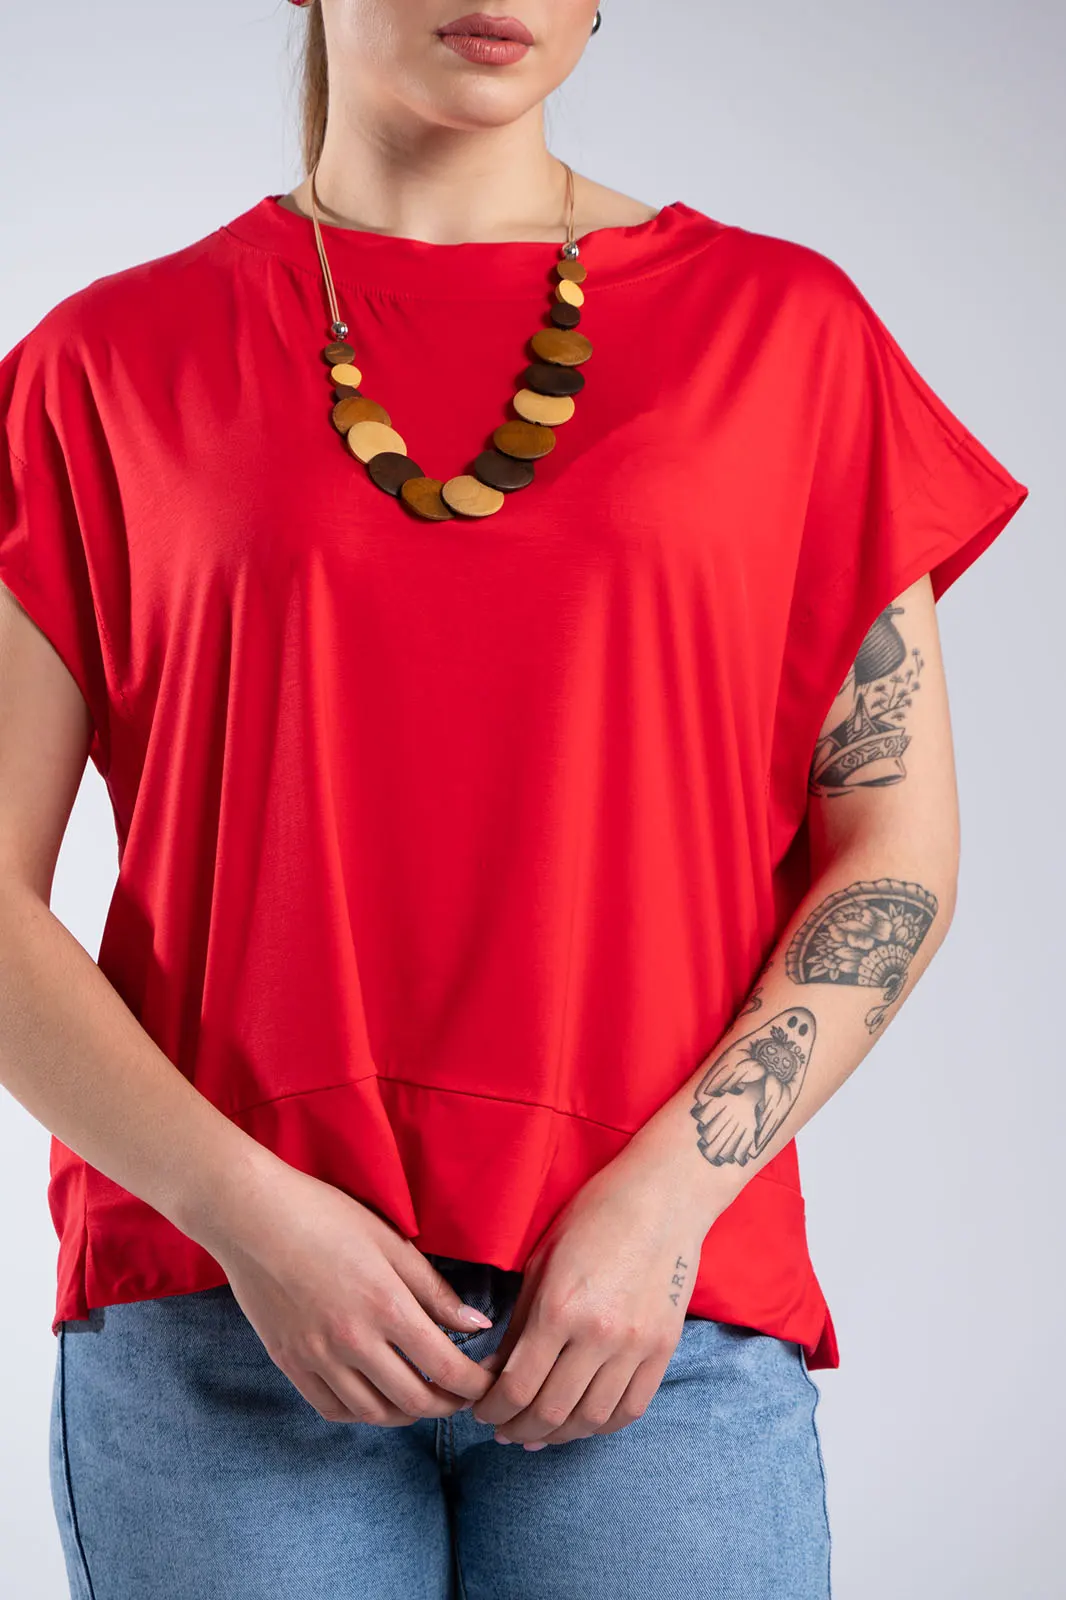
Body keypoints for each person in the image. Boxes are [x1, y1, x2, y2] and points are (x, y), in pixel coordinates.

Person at [0, 3, 1028, 1597]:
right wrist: (247, 1214)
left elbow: (889, 849)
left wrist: (663, 1202)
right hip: (223, 1318)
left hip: (654, 1319)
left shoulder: (785, 334)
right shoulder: (104, 364)